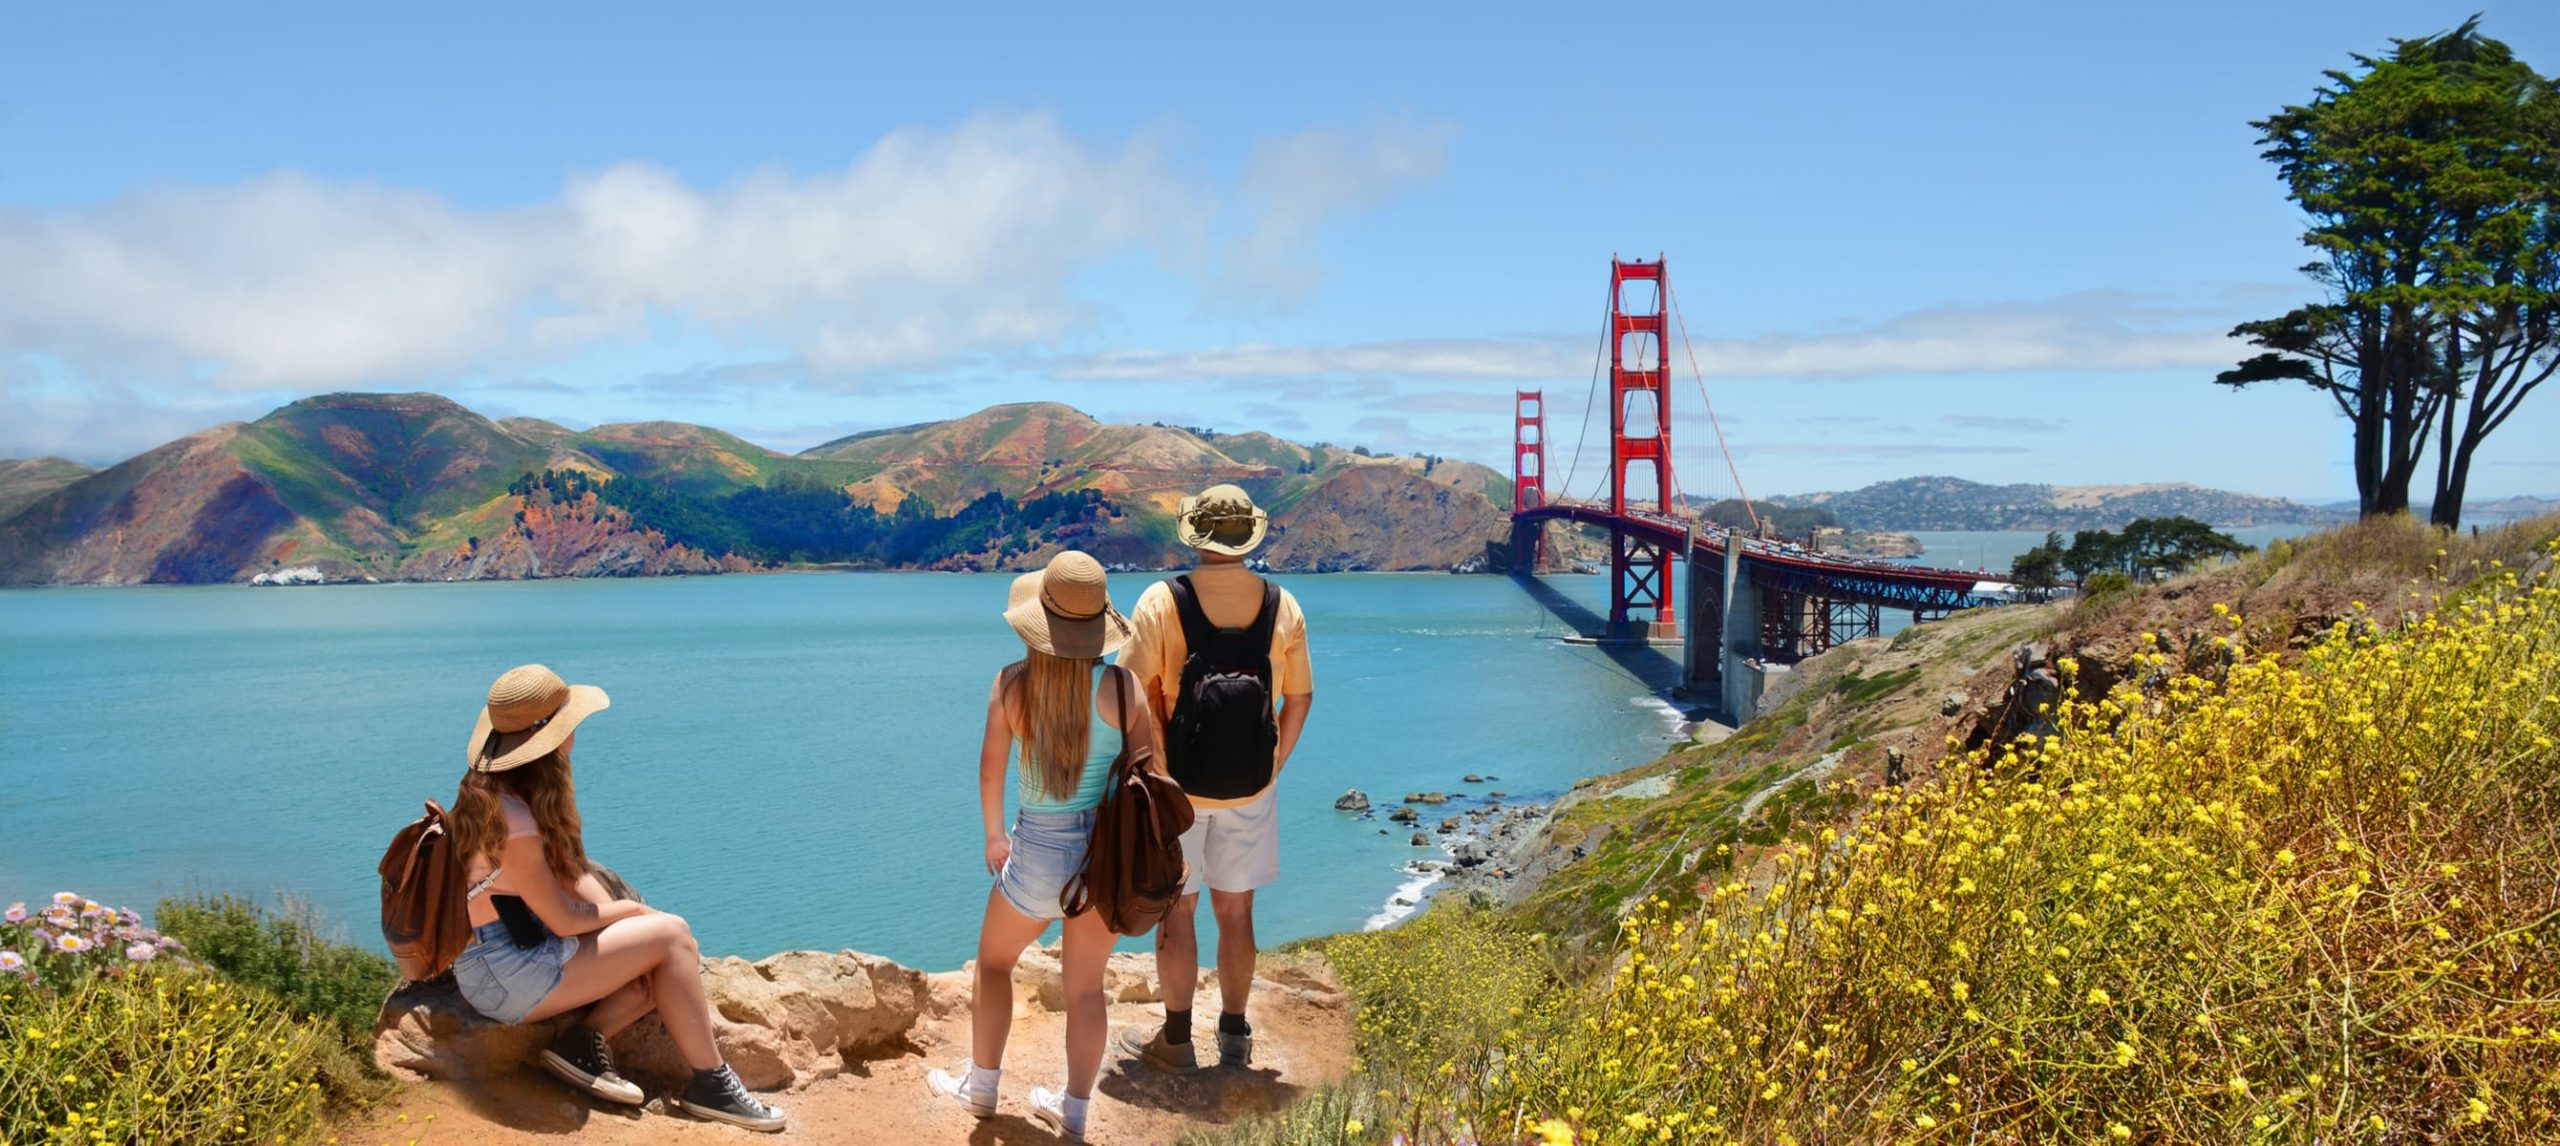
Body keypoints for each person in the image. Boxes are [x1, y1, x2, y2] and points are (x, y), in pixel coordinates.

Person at [446, 664, 786, 1133]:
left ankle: (582, 1045)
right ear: (549, 741)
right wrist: (633, 913)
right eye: (568, 725)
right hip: (505, 973)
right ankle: (713, 1084)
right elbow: (564, 920)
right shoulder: (513, 819)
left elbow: (571, 874)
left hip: (508, 958)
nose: (574, 734)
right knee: (673, 937)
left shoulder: (502, 793)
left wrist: (630, 931)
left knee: (655, 965)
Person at [926, 551, 1153, 1141]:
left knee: (996, 963)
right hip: (1103, 858)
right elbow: (1152, 774)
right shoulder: (1123, 688)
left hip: (1036, 851)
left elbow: (988, 771)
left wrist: (993, 834)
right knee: (1084, 989)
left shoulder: (1011, 683)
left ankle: (981, 1087)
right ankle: (1073, 1111)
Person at [1114, 485, 1314, 1072]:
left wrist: (1151, 772)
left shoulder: (1161, 600)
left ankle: (1176, 1041)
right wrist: (1271, 766)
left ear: (1195, 536)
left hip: (1175, 791)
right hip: (1250, 787)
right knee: (1237, 911)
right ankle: (1234, 1037)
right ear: (1247, 536)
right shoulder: (1283, 604)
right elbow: (1299, 699)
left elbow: (1126, 691)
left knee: (1178, 911)